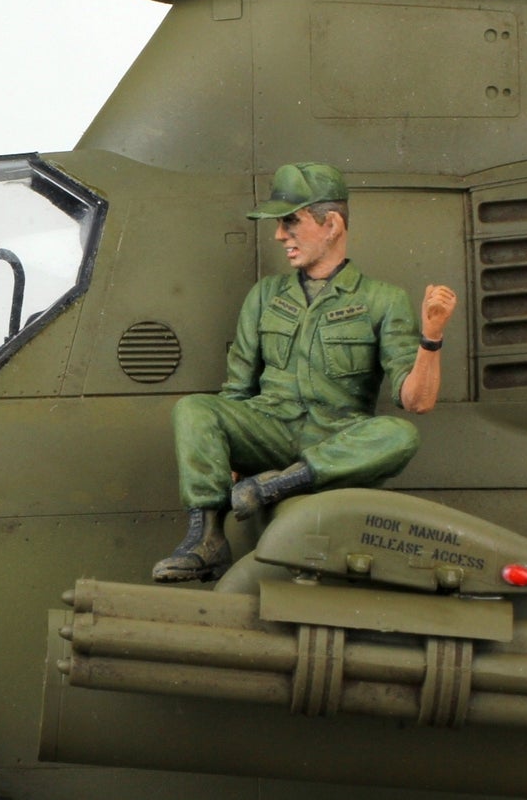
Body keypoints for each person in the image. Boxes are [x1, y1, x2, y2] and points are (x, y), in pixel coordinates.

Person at [153, 162, 458, 583]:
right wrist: (225, 454)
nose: (280, 235)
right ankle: (206, 541)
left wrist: (432, 337)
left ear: (331, 224)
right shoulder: (265, 295)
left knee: (399, 434)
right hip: (269, 428)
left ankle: (278, 486)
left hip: (335, 440)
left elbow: (417, 401)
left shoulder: (382, 300)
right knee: (194, 410)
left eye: (291, 222)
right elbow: (237, 391)